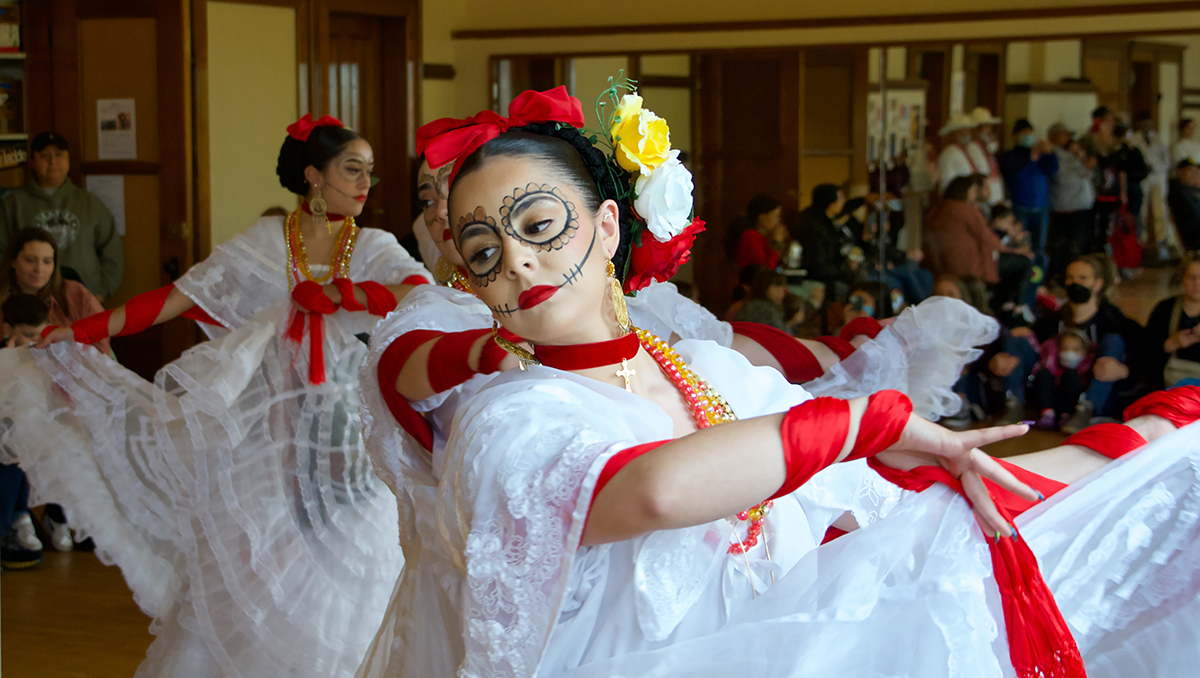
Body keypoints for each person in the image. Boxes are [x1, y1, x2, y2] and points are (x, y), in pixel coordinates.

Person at [361, 88, 1200, 678]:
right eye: (483, 254)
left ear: (608, 224)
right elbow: (649, 492)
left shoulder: (707, 372)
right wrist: (859, 423)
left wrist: (1149, 440)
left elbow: (901, 497)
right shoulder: (507, 418)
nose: (517, 261)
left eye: (540, 226)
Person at [0, 114, 434, 677]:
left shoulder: (372, 245)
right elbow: (172, 300)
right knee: (254, 576)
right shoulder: (263, 244)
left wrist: (343, 291)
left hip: (350, 452)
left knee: (358, 578)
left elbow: (419, 292)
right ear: (313, 176)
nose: (364, 183)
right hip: (266, 449)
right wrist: (81, 331)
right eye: (352, 169)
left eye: (370, 173)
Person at [0, 132, 123, 301]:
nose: (53, 162)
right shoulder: (13, 203)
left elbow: (112, 252)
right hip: (30, 302)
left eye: (59, 155)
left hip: (85, 300)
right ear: (33, 162)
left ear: (68, 161)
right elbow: (2, 252)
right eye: (44, 156)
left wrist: (101, 291)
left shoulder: (90, 203)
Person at [1031, 254, 1144, 432]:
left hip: (1097, 391)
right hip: (1056, 393)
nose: (1075, 283)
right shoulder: (1050, 322)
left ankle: (1087, 410)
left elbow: (1144, 360)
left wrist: (1124, 371)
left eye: (1083, 278)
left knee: (1112, 340)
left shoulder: (1116, 323)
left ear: (1098, 284)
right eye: (1070, 278)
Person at [999, 119, 1058, 273]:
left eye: (1029, 134)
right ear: (1015, 136)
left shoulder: (1041, 157)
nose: (1027, 137)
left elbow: (1052, 169)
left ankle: (1037, 276)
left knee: (1039, 246)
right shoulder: (1010, 156)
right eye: (1023, 134)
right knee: (1018, 244)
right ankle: (1021, 274)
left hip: (1041, 206)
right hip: (1020, 206)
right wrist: (1031, 155)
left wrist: (1050, 152)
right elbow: (1012, 168)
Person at [923, 175, 1000, 284]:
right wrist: (1008, 248)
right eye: (973, 191)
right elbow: (985, 236)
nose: (974, 195)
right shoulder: (962, 208)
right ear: (964, 191)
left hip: (944, 262)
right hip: (965, 264)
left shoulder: (943, 206)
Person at [1047, 123, 1096, 284]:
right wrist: (1081, 170)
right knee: (1065, 247)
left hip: (1081, 206)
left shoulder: (1072, 154)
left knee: (1080, 245)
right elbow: (1061, 178)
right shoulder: (1053, 154)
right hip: (1066, 207)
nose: (1069, 139)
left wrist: (1080, 159)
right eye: (1064, 135)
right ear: (1054, 137)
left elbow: (1088, 173)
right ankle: (1064, 276)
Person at [794, 184, 857, 302]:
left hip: (829, 272)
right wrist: (846, 268)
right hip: (819, 278)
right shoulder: (816, 227)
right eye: (841, 198)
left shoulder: (825, 221)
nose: (843, 202)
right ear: (831, 203)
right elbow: (819, 266)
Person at [1146, 253, 1200, 388]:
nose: (1197, 284)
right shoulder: (1166, 309)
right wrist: (1171, 344)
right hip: (1172, 384)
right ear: (1182, 278)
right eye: (1191, 278)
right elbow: (1145, 357)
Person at [1030, 328, 1096, 430]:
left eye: (1075, 349)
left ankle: (1067, 416)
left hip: (1072, 402)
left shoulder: (1087, 366)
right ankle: (1047, 414)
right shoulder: (1051, 363)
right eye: (1066, 348)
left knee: (1072, 375)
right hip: (1052, 397)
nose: (1070, 353)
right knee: (1043, 374)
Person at [1131, 112, 1176, 258]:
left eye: (1148, 124)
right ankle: (1141, 240)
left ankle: (1162, 241)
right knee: (1142, 211)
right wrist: (1144, 167)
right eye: (1143, 124)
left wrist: (1154, 166)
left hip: (1158, 177)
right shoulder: (1133, 139)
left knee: (1159, 210)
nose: (1145, 126)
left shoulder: (1157, 138)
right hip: (1143, 179)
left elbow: (1167, 161)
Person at [731, 195, 785, 270]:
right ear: (761, 217)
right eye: (775, 216)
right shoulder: (750, 237)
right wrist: (777, 243)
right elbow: (765, 269)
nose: (777, 221)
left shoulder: (764, 237)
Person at [967, 106, 1006, 208]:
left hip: (992, 200)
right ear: (976, 129)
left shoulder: (986, 150)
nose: (989, 131)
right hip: (984, 201)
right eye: (986, 127)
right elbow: (982, 174)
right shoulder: (973, 147)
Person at [936, 113, 980, 193]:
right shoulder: (949, 154)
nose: (969, 134)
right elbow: (946, 185)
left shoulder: (962, 152)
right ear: (956, 133)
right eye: (965, 130)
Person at [1168, 157, 1200, 251]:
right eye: (1190, 171)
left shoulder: (1193, 191)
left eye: (1196, 171)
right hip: (1195, 238)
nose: (1194, 175)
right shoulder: (1180, 193)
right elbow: (1194, 216)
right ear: (1180, 172)